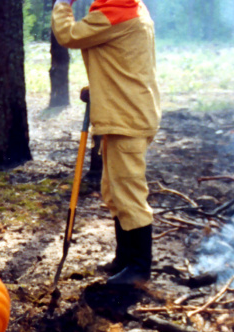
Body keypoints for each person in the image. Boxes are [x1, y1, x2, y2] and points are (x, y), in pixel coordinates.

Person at [52, 0, 161, 286]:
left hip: (127, 117)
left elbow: (68, 35)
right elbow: (122, 57)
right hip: (125, 112)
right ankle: (125, 258)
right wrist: (100, 87)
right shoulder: (132, 7)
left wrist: (62, 4)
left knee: (129, 194)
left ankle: (139, 268)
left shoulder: (114, 12)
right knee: (114, 191)